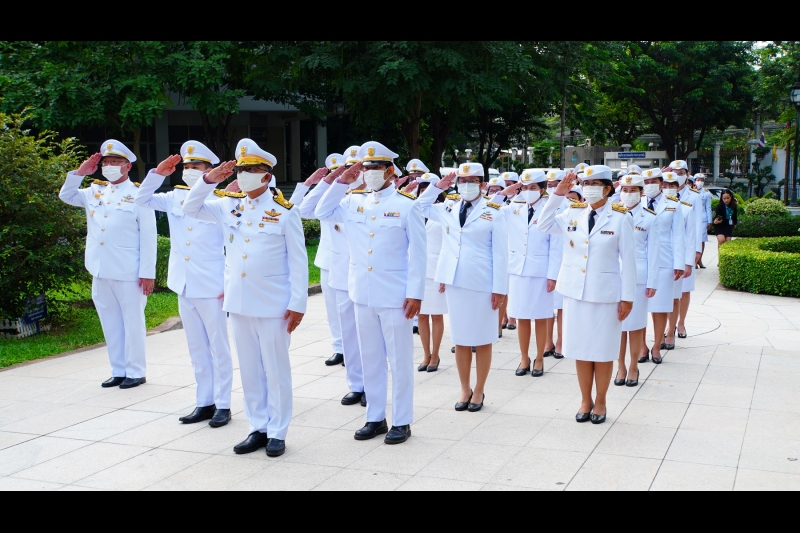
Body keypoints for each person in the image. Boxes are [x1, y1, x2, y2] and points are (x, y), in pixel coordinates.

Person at [183, 138, 308, 458]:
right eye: (240, 170)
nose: (243, 175)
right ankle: (258, 427)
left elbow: (298, 261)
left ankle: (277, 431)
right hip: (239, 303)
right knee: (250, 370)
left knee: (275, 371)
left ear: (266, 176)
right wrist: (208, 180)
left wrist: (298, 303)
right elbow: (190, 208)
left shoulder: (284, 212)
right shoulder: (228, 204)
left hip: (274, 305)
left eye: (250, 170)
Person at [315, 141, 426, 445]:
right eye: (366, 167)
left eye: (375, 167)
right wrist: (342, 182)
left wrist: (416, 293)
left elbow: (418, 254)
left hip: (395, 296)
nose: (369, 172)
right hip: (362, 293)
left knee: (399, 361)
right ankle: (375, 417)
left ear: (390, 171)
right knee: (371, 359)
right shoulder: (353, 201)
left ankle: (401, 421)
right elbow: (317, 210)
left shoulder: (407, 205)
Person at [134, 142, 233, 427]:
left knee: (218, 347)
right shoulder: (174, 197)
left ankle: (223, 404)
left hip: (212, 284)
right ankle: (204, 401)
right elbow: (141, 199)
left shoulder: (222, 200)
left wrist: (228, 281)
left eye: (195, 166)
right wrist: (157, 174)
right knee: (196, 347)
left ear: (209, 170)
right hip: (184, 283)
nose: (189, 171)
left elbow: (233, 245)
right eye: (186, 166)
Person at [537, 165, 636, 424]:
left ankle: (601, 401)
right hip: (575, 294)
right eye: (586, 183)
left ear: (607, 188)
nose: (589, 188)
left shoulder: (620, 217)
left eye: (595, 184)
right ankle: (585, 399)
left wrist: (627, 298)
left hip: (605, 296)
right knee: (581, 350)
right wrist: (558, 194)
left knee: (602, 351)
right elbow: (543, 224)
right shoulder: (573, 212)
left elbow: (629, 261)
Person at [59, 140, 156, 389]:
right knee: (110, 321)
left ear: (128, 166)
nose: (109, 166)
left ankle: (136, 371)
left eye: (115, 162)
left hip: (129, 271)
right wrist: (80, 173)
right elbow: (66, 195)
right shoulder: (95, 191)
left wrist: (147, 273)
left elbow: (148, 237)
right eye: (106, 162)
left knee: (132, 323)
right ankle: (118, 369)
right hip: (100, 268)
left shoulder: (139, 196)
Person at [420, 163, 508, 413]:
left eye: (472, 181)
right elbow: (419, 207)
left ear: (483, 184)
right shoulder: (448, 206)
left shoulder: (494, 212)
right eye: (463, 180)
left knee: (483, 339)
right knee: (460, 339)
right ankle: (464, 388)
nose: (467, 185)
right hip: (455, 282)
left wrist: (500, 288)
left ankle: (479, 389)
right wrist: (438, 187)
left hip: (482, 284)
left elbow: (501, 254)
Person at [297, 153, 367, 406]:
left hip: (367, 275)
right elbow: (305, 210)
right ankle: (356, 385)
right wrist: (330, 182)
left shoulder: (372, 198)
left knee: (369, 335)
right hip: (341, 273)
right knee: (348, 331)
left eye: (358, 168)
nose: (353, 172)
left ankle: (372, 385)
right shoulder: (338, 198)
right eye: (349, 168)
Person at [500, 169, 558, 378]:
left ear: (542, 190)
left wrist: (553, 275)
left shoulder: (550, 209)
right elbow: (490, 209)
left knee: (541, 317)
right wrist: (504, 193)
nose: (527, 191)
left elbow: (556, 247)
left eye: (532, 187)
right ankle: (524, 358)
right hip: (517, 271)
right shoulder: (513, 208)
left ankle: (539, 358)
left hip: (540, 272)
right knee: (521, 316)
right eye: (524, 187)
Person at [616, 174, 659, 388]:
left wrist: (653, 282)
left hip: (639, 279)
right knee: (617, 326)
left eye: (633, 190)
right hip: (615, 277)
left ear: (641, 192)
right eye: (625, 190)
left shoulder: (650, 217)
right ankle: (620, 366)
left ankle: (633, 366)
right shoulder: (613, 214)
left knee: (634, 325)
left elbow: (654, 252)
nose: (628, 194)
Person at [640, 168, 685, 365]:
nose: (650, 185)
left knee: (660, 307)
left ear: (660, 182)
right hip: (640, 260)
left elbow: (679, 235)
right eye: (646, 182)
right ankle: (641, 346)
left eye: (653, 181)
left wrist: (679, 263)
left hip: (664, 261)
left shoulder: (673, 204)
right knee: (639, 307)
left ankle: (657, 346)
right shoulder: (636, 201)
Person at [404, 174, 448, 372]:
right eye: (422, 190)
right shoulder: (412, 211)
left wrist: (444, 274)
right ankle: (426, 354)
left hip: (435, 271)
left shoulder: (444, 211)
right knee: (421, 316)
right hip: (416, 273)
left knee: (436, 316)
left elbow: (448, 245)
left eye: (428, 190)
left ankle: (436, 354)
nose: (424, 193)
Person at [670, 161, 702, 341]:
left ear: (687, 174)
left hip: (687, 247)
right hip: (670, 249)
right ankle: (670, 325)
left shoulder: (694, 196)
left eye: (681, 172)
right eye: (674, 172)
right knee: (671, 290)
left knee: (685, 288)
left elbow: (697, 224)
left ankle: (681, 322)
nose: (678, 175)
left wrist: (697, 250)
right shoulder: (664, 192)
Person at [543, 170, 570, 359]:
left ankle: (561, 340)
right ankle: (547, 340)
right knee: (545, 306)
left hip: (561, 263)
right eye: (550, 185)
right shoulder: (543, 205)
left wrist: (553, 273)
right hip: (541, 264)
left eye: (556, 184)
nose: (553, 188)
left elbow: (559, 246)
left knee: (561, 306)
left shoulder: (571, 207)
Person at [694, 174, 713, 268]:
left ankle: (699, 260)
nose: (700, 181)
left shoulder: (706, 193)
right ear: (694, 181)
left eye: (702, 180)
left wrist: (709, 221)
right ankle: (693, 260)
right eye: (698, 179)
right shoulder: (690, 191)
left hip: (703, 218)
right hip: (692, 218)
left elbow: (708, 207)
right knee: (692, 239)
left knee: (701, 240)